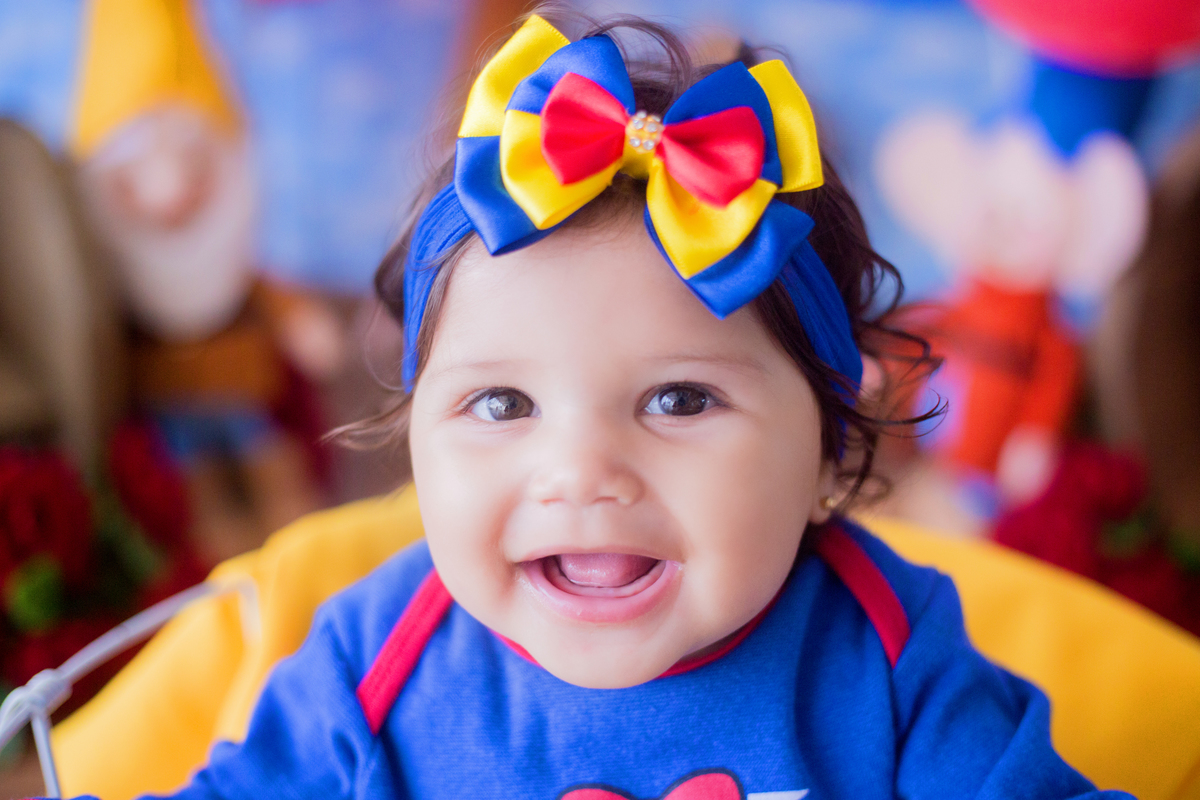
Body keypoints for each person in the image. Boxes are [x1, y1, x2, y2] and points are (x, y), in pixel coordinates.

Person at [95, 12, 1128, 799]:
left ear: (827, 448)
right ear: (415, 437)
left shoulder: (892, 660)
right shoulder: (370, 664)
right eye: (502, 402)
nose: (581, 471)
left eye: (679, 398)